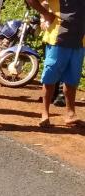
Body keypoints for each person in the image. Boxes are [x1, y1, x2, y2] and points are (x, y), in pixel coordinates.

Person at [26, 0, 85, 128]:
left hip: (80, 41)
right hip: (57, 39)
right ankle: (45, 113)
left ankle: (71, 114)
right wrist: (45, 14)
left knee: (72, 80)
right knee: (50, 78)